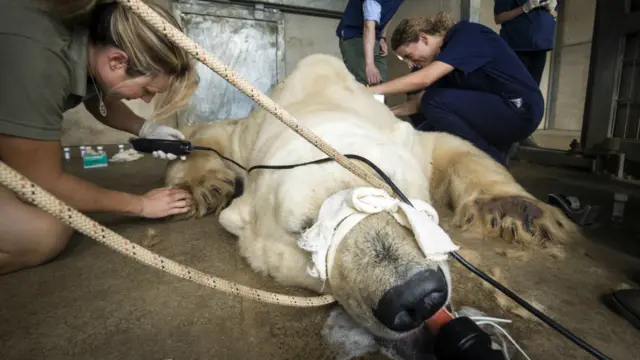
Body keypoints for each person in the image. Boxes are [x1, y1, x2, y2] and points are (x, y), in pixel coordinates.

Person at [0, 0, 199, 275]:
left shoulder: (91, 35)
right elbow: (42, 184)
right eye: (147, 89)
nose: (147, 98)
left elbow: (97, 92)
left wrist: (145, 129)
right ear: (117, 61)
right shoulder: (38, 60)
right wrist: (140, 205)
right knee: (45, 233)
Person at [369, 12, 544, 165]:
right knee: (420, 135)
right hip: (497, 110)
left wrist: (369, 91)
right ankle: (491, 153)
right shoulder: (444, 62)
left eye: (408, 56)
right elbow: (418, 104)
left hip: (521, 109)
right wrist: (383, 112)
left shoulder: (467, 34)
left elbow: (424, 80)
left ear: (423, 38)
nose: (409, 64)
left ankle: (491, 161)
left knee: (433, 100)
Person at [336, 0, 405, 86]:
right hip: (354, 35)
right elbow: (368, 25)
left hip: (374, 36)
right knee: (365, 81)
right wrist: (369, 65)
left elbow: (391, 12)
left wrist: (382, 37)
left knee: (381, 82)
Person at [494, 0, 558, 86]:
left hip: (541, 45)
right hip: (517, 47)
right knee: (515, 88)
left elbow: (554, 14)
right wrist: (523, 8)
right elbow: (499, 18)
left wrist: (551, 9)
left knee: (534, 89)